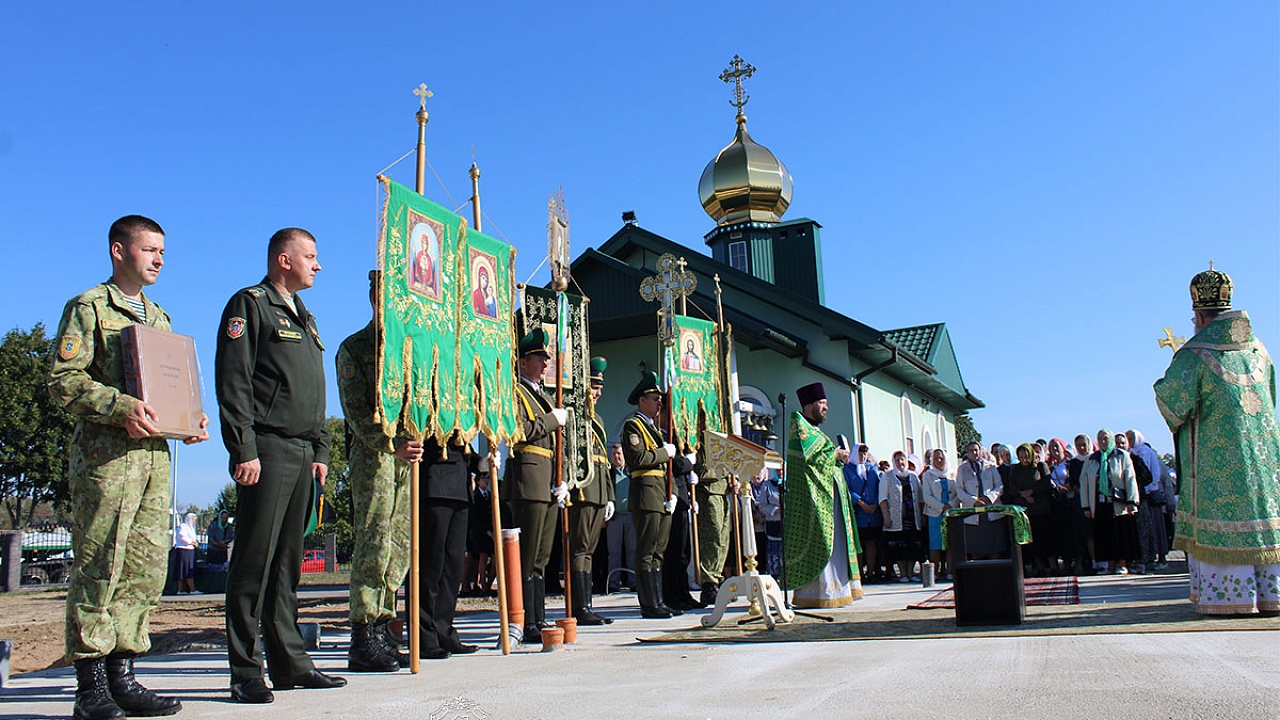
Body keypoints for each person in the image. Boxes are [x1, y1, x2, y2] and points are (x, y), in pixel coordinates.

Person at [49, 214, 209, 720]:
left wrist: (189, 417)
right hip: (108, 462)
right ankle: (90, 685)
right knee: (102, 564)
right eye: (149, 249)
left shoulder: (159, 318)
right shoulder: (90, 308)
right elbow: (62, 381)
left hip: (154, 462)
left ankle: (124, 674)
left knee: (143, 569)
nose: (159, 259)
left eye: (163, 251)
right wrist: (121, 407)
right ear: (119, 251)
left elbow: (169, 388)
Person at [216, 227, 345, 703]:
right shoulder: (250, 304)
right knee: (253, 561)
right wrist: (242, 447)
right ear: (283, 259)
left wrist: (323, 451)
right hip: (266, 450)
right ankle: (245, 670)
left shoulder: (305, 317)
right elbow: (234, 381)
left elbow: (313, 392)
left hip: (304, 452)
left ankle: (290, 663)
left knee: (288, 565)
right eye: (310, 256)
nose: (318, 264)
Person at [1154, 267, 1280, 615]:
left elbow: (1172, 404)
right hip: (1264, 467)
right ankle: (1271, 594)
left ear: (1198, 315)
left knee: (1221, 516)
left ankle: (1233, 599)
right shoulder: (1261, 352)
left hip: (1216, 469)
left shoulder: (1193, 355)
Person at [335, 272, 415, 673]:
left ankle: (385, 624)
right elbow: (356, 413)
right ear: (372, 297)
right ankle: (363, 634)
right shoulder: (354, 348)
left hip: (405, 459)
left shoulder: (408, 349)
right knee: (374, 543)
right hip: (374, 458)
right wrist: (391, 443)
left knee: (399, 547)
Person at [506, 328, 568, 641]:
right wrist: (551, 421)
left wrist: (563, 478)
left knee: (542, 557)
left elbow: (556, 446)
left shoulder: (543, 397)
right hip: (527, 479)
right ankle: (525, 619)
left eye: (546, 359)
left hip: (547, 482)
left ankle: (538, 617)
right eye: (539, 359)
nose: (545, 365)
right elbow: (517, 431)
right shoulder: (515, 392)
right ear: (522, 361)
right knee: (528, 555)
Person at [782, 382, 864, 606]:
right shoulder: (800, 429)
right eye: (822, 403)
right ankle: (819, 594)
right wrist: (834, 455)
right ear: (809, 406)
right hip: (815, 504)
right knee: (824, 544)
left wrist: (837, 456)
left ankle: (838, 590)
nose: (826, 407)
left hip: (832, 500)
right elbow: (812, 462)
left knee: (837, 545)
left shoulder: (816, 432)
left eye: (826, 403)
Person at [621, 372, 685, 618]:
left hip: (662, 493)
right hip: (646, 494)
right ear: (641, 401)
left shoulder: (655, 430)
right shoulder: (633, 426)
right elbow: (638, 459)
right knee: (647, 550)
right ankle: (648, 604)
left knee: (659, 550)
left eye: (660, 399)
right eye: (654, 398)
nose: (659, 403)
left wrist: (674, 493)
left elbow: (667, 468)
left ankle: (658, 601)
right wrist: (663, 453)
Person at [567, 357, 617, 625]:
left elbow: (604, 460)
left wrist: (609, 495)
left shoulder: (596, 418)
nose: (597, 394)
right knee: (581, 549)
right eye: (593, 388)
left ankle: (587, 604)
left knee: (590, 549)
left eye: (599, 389)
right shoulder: (574, 415)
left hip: (598, 491)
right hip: (583, 491)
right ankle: (580, 606)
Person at [1079, 429, 1140, 575]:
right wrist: (1086, 506)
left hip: (1118, 503)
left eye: (1105, 438)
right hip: (1099, 503)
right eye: (1100, 438)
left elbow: (1130, 478)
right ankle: (1110, 565)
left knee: (1120, 534)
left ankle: (1122, 564)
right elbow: (1084, 482)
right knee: (1104, 535)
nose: (1103, 441)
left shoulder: (1122, 456)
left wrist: (1132, 501)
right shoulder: (1092, 459)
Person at [1005, 443, 1055, 576]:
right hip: (1025, 508)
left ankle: (1053, 566)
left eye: (1026, 457)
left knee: (1047, 539)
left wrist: (1032, 492)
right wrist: (1024, 495)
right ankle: (1039, 567)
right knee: (1032, 541)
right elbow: (1012, 487)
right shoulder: (1015, 469)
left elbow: (1046, 485)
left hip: (1041, 507)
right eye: (1021, 457)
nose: (1024, 460)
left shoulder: (1040, 466)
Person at [880, 450, 923, 583]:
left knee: (912, 546)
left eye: (902, 460)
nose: (900, 463)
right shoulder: (887, 477)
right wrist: (886, 517)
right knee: (899, 547)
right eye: (897, 460)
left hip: (912, 517)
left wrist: (922, 516)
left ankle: (911, 572)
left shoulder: (913, 476)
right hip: (896, 518)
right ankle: (902, 573)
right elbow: (882, 498)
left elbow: (920, 498)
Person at [843, 444, 884, 582]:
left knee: (871, 543)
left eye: (865, 454)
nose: (863, 457)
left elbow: (879, 487)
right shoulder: (848, 470)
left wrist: (875, 504)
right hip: (858, 512)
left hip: (873, 513)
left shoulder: (871, 469)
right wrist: (860, 503)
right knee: (859, 542)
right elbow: (846, 489)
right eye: (860, 454)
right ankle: (859, 572)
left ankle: (871, 572)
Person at [604, 443, 636, 593]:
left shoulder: (631, 471)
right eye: (614, 454)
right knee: (614, 551)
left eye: (619, 454)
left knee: (632, 550)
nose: (616, 457)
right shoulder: (609, 473)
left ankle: (633, 581)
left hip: (630, 516)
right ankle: (613, 583)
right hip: (615, 517)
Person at [919, 448, 955, 578]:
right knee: (935, 544)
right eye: (935, 458)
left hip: (950, 513)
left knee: (950, 543)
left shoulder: (951, 474)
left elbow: (957, 493)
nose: (938, 461)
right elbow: (927, 496)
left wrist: (950, 505)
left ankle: (950, 570)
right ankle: (935, 572)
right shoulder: (928, 475)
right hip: (935, 514)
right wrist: (941, 506)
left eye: (941, 458)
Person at [173, 513, 200, 595]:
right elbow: (182, 537)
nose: (194, 521)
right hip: (183, 550)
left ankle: (183, 590)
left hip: (190, 550)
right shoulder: (182, 527)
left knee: (189, 569)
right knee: (183, 570)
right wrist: (191, 542)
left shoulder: (191, 528)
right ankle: (188, 589)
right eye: (193, 519)